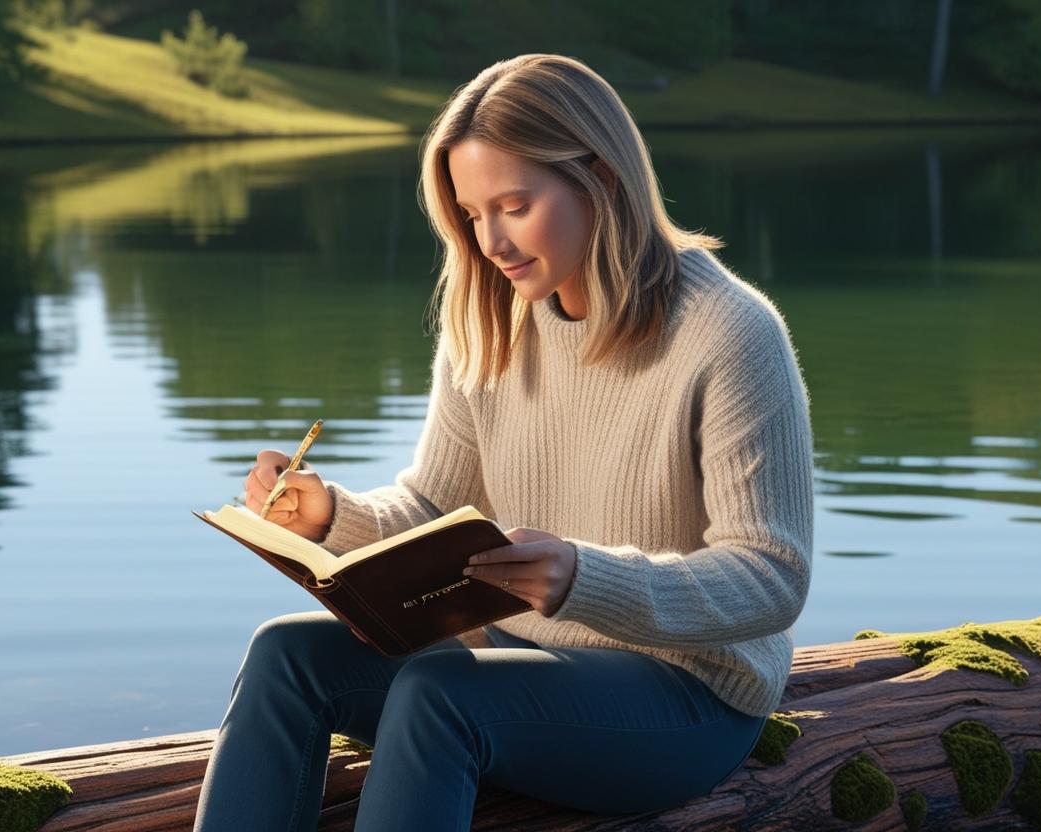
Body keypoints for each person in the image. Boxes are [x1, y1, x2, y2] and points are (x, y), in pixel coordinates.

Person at [192, 53, 814, 832]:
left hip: (687, 695)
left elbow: (772, 578)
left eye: (514, 205)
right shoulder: (489, 318)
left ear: (602, 178)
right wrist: (327, 517)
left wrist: (584, 579)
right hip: (517, 662)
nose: (489, 241)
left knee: (439, 697)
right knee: (287, 655)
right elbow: (431, 505)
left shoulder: (730, 333)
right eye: (471, 214)